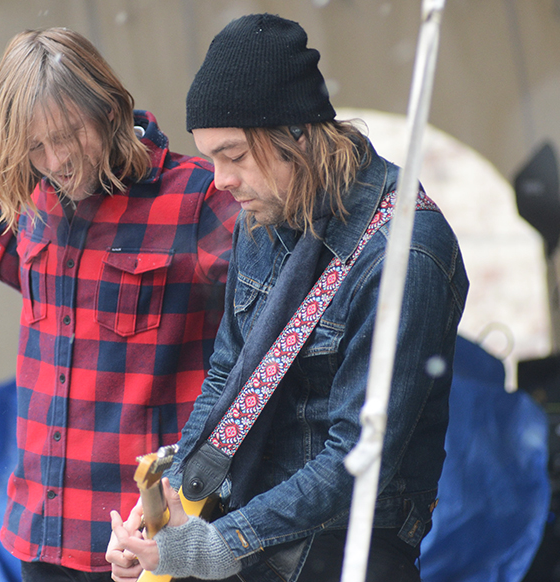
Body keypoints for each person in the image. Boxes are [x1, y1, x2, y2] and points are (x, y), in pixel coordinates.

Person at [107, 13, 469, 582]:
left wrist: (217, 545)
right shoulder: (264, 212)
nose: (220, 180)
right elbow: (227, 375)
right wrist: (171, 508)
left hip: (343, 554)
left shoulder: (405, 253)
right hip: (250, 529)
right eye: (210, 158)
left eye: (234, 155)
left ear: (296, 135)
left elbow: (356, 457)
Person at [0, 27, 239, 582]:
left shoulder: (197, 198)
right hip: (41, 535)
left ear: (109, 110)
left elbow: (281, 307)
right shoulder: (41, 194)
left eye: (71, 136)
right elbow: (21, 263)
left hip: (146, 541)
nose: (58, 160)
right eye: (36, 147)